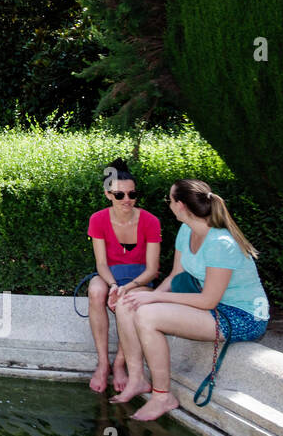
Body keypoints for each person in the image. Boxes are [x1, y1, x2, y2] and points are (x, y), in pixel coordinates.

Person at [111, 179, 269, 421]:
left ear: (181, 205)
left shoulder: (221, 244)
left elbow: (208, 301)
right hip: (213, 305)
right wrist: (151, 296)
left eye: (170, 200)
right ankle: (137, 379)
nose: (169, 205)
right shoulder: (187, 230)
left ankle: (162, 396)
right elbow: (176, 275)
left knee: (146, 314)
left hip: (242, 316)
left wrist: (153, 301)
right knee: (129, 301)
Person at [86, 158, 161, 394]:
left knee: (127, 302)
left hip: (140, 278)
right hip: (111, 274)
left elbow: (152, 269)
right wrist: (113, 285)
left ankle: (120, 364)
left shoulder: (150, 221)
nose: (127, 200)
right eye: (120, 195)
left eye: (132, 194)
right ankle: (103, 363)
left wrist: (126, 289)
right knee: (96, 291)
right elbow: (101, 263)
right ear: (108, 194)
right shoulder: (98, 219)